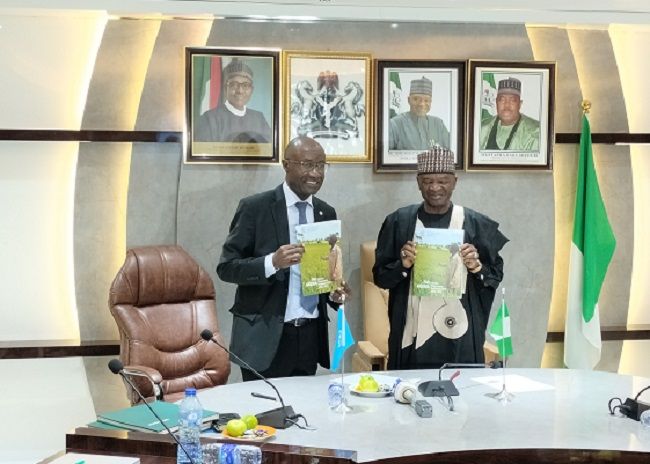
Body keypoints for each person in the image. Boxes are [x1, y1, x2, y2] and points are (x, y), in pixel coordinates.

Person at [217, 136, 350, 380]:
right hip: (264, 338)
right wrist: (272, 263)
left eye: (321, 165)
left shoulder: (326, 212)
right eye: (307, 165)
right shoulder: (255, 208)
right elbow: (227, 268)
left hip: (309, 337)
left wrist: (334, 293)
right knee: (264, 406)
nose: (315, 173)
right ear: (286, 165)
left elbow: (324, 275)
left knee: (304, 404)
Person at [373, 147, 508, 369]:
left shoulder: (475, 224)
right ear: (418, 183)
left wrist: (476, 267)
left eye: (443, 181)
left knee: (462, 387)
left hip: (461, 336)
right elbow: (380, 278)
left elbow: (494, 277)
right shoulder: (399, 222)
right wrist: (403, 265)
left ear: (455, 182)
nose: (435, 188)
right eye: (428, 181)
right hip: (411, 335)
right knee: (409, 387)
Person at [194, 58, 272, 143]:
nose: (240, 91)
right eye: (234, 84)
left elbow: (269, 148)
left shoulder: (259, 118)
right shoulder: (209, 119)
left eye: (245, 85)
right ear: (225, 88)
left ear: (252, 90)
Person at [388, 76, 450, 151]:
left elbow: (451, 151)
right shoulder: (394, 124)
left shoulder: (439, 124)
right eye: (416, 99)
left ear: (431, 102)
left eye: (426, 100)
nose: (421, 104)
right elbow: (386, 155)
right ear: (409, 100)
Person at [479, 77, 540, 151]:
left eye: (512, 100)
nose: (507, 105)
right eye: (502, 100)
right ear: (496, 102)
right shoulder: (482, 128)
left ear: (520, 104)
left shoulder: (535, 132)